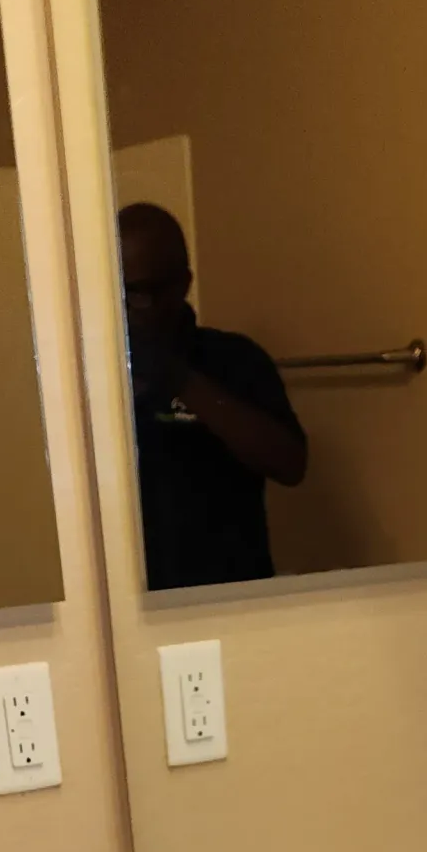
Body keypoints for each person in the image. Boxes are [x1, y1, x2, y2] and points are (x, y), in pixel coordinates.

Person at [117, 202, 307, 589]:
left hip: (232, 599)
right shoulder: (88, 373)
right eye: (132, 293)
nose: (146, 308)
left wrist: (181, 380)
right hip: (129, 610)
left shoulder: (234, 360)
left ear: (185, 283)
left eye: (158, 290)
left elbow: (290, 464)